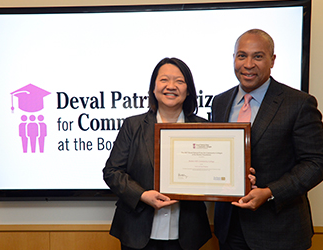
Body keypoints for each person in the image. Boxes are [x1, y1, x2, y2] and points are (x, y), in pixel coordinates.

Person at [212, 29, 323, 250]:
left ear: (272, 60)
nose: (248, 64)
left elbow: (316, 163)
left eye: (258, 56)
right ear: (233, 58)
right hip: (230, 229)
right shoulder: (220, 102)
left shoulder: (298, 103)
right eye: (242, 55)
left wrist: (270, 192)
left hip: (280, 231)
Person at [102, 57, 212, 250]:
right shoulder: (132, 126)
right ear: (153, 88)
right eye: (164, 80)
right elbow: (112, 172)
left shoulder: (204, 128)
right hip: (137, 232)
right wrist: (143, 195)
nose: (171, 86)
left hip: (187, 234)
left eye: (179, 81)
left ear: (188, 91)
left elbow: (214, 171)